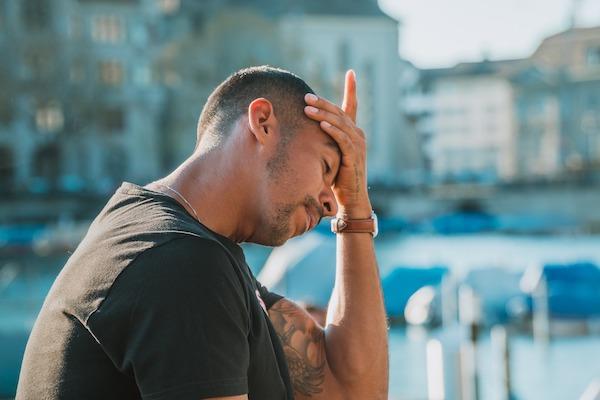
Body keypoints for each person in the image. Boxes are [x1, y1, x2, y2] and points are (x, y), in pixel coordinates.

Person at [16, 66, 388, 400]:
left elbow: (350, 390)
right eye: (326, 168)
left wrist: (355, 206)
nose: (330, 203)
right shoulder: (180, 262)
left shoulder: (179, 246)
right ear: (262, 122)